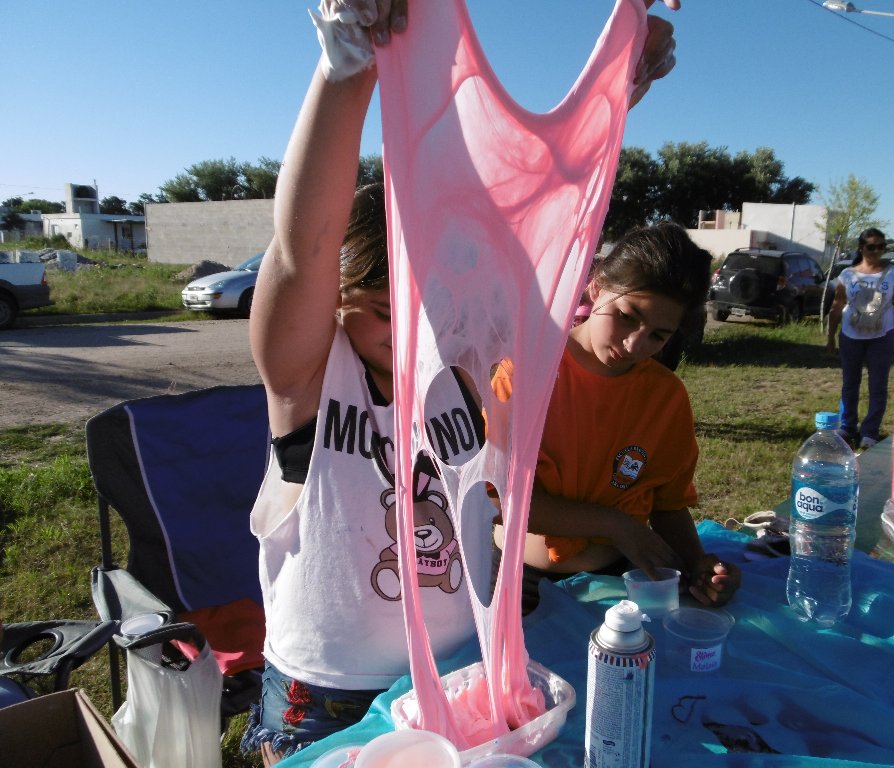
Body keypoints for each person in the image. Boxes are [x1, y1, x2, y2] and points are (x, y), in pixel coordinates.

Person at [244, 2, 682, 763]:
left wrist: (618, 88)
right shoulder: (311, 377)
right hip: (330, 690)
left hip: (464, 671)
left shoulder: (479, 364)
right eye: (385, 311)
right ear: (342, 300)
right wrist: (348, 68)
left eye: (432, 306)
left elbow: (541, 216)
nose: (418, 329)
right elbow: (300, 248)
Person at [491, 223, 742, 614]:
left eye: (658, 336)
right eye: (626, 316)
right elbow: (499, 499)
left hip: (620, 584)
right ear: (596, 287)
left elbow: (668, 503)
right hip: (521, 584)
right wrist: (614, 525)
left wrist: (699, 567)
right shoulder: (525, 373)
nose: (634, 344)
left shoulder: (665, 396)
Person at [826, 227, 894, 451]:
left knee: (878, 386)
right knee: (850, 383)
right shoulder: (847, 275)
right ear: (862, 248)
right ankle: (847, 427)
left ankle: (870, 431)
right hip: (851, 336)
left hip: (881, 336)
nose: (876, 251)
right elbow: (837, 306)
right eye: (871, 246)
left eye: (881, 246)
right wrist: (830, 336)